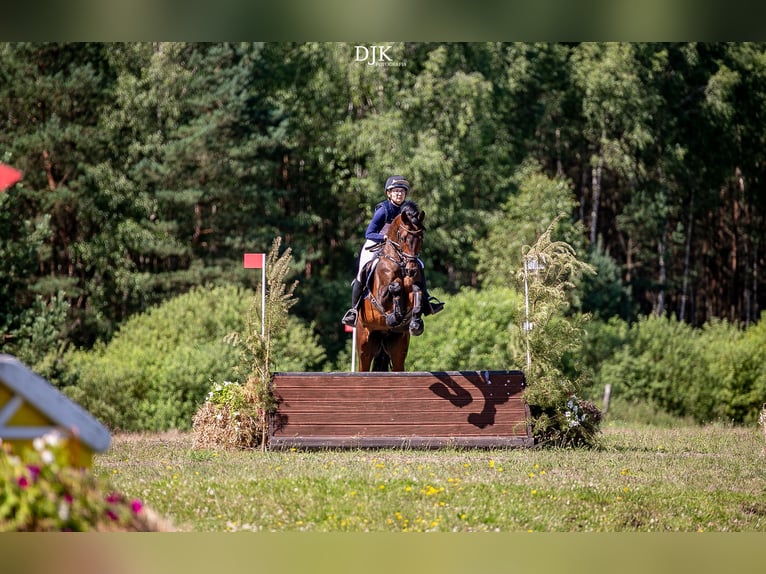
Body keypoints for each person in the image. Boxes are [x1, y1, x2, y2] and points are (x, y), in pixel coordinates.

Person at [341, 175, 444, 327]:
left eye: (402, 191)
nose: (399, 194)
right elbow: (369, 233)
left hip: (399, 248)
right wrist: (385, 238)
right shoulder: (384, 210)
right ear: (388, 193)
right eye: (395, 191)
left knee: (419, 265)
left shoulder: (408, 209)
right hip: (376, 243)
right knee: (362, 271)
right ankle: (354, 310)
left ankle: (426, 300)